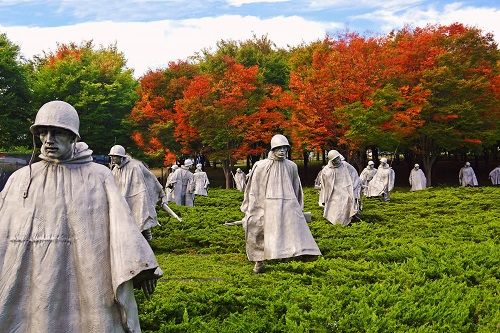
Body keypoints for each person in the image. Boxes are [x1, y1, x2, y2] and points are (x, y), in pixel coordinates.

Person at [0, 100, 161, 333]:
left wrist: (143, 266)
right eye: (43, 133)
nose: (48, 139)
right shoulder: (21, 180)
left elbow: (121, 227)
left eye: (57, 133)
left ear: (73, 136)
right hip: (32, 279)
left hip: (88, 278)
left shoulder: (99, 177)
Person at [241, 134, 321, 274]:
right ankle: (259, 261)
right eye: (279, 148)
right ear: (272, 149)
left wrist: (298, 207)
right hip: (266, 204)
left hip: (288, 204)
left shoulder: (291, 166)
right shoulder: (260, 166)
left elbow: (297, 187)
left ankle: (301, 255)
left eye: (285, 147)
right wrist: (253, 207)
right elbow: (254, 189)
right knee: (258, 229)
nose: (282, 150)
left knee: (293, 230)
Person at [108, 144, 168, 241]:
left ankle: (148, 242)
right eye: (111, 156)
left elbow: (150, 178)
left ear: (121, 157)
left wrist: (160, 192)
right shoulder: (115, 170)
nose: (113, 159)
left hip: (138, 198)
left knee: (141, 221)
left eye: (115, 156)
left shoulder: (135, 166)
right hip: (122, 201)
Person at [319, 150, 357, 226]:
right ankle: (337, 222)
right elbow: (324, 184)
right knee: (335, 206)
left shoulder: (345, 165)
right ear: (331, 160)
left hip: (345, 189)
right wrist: (324, 196)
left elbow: (354, 174)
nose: (337, 160)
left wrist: (354, 186)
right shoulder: (326, 170)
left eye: (338, 158)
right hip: (334, 192)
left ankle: (346, 221)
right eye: (335, 159)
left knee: (346, 203)